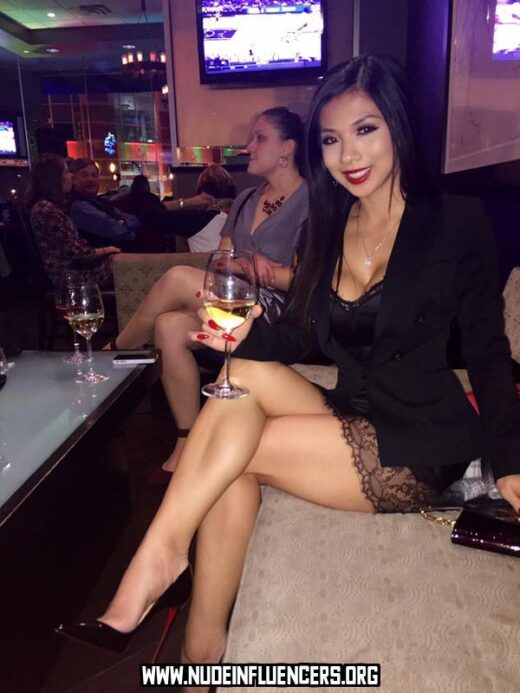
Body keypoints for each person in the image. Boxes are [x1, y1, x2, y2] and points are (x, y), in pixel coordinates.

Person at [56, 55, 520, 681]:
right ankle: (199, 642)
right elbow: (302, 335)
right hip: (353, 406)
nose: (347, 155)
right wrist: (248, 333)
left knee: (231, 455)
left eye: (365, 129)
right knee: (239, 379)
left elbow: (489, 350)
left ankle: (168, 583)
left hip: (420, 437)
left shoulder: (455, 222)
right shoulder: (328, 226)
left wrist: (510, 458)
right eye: (330, 139)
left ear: (398, 127)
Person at [109, 107, 308, 474]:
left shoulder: (312, 201)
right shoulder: (247, 199)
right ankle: (188, 439)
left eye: (259, 138)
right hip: (233, 295)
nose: (248, 146)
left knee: (177, 277)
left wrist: (257, 271)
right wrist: (243, 265)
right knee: (169, 325)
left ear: (287, 148)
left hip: (278, 312)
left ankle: (115, 356)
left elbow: (306, 281)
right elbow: (221, 261)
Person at [26, 154, 119, 288]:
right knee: (125, 264)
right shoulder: (46, 209)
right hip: (69, 276)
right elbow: (76, 252)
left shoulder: (48, 206)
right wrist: (107, 250)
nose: (71, 176)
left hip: (74, 269)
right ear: (54, 178)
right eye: (66, 172)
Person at [68, 158, 140, 250]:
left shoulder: (99, 201)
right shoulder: (79, 206)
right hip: (111, 256)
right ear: (73, 179)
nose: (90, 179)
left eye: (94, 175)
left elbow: (134, 220)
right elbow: (121, 234)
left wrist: (123, 223)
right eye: (84, 175)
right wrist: (127, 227)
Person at [169, 164, 237, 252]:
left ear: (202, 192)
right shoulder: (244, 214)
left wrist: (187, 202)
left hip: (205, 261)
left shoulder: (196, 220)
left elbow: (153, 213)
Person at [113, 175, 171, 252]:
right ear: (146, 186)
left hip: (134, 241)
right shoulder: (152, 199)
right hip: (154, 240)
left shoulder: (125, 200)